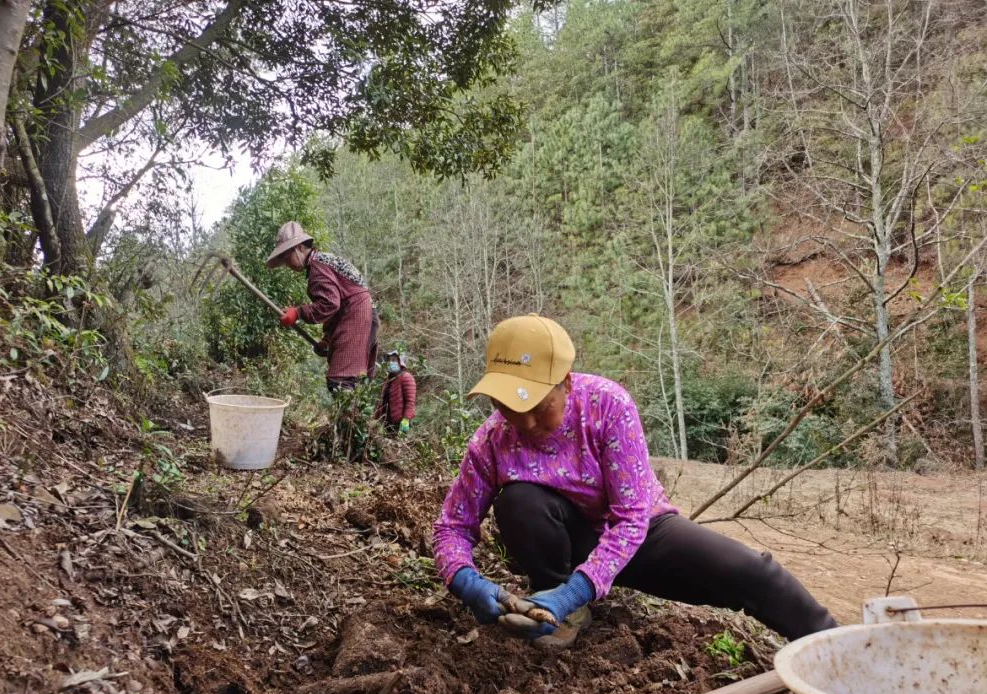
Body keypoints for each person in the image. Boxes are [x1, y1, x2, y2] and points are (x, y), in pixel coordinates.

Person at [433, 314, 838, 650]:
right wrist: (464, 580)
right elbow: (452, 525)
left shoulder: (607, 406)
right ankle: (557, 607)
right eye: (505, 405)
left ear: (567, 383)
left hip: (639, 534)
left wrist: (578, 587)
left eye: (538, 407)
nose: (523, 422)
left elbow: (631, 519)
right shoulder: (491, 440)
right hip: (568, 541)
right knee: (519, 500)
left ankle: (834, 645)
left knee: (749, 570)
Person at [267, 221, 378, 392]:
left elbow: (329, 304)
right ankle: (354, 417)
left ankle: (350, 418)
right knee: (356, 380)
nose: (287, 264)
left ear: (298, 248)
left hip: (357, 315)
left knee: (341, 382)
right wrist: (327, 339)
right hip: (362, 315)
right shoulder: (322, 261)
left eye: (286, 258)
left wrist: (298, 313)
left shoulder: (318, 266)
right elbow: (337, 306)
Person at [375, 351, 417, 434]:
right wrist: (376, 417)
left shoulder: (406, 377)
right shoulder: (389, 379)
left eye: (394, 360)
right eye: (389, 360)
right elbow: (383, 400)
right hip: (386, 422)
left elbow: (410, 401)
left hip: (399, 422)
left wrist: (406, 418)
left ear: (400, 362)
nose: (391, 363)